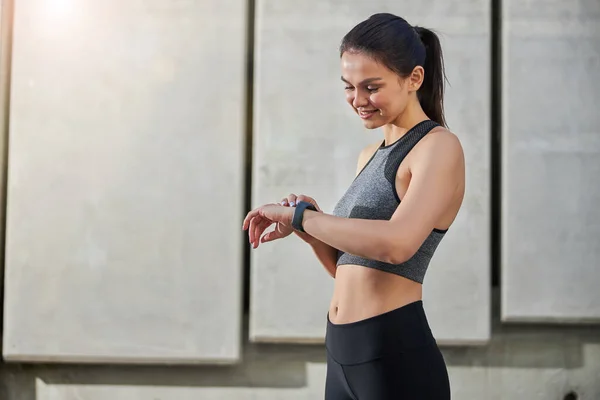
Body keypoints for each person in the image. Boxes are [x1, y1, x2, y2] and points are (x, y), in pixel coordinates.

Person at [243, 12, 464, 400]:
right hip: (343, 352)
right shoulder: (369, 155)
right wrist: (308, 231)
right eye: (349, 87)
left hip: (393, 353)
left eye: (371, 87)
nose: (358, 101)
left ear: (414, 78)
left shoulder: (438, 147)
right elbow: (352, 266)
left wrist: (305, 218)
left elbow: (397, 245)